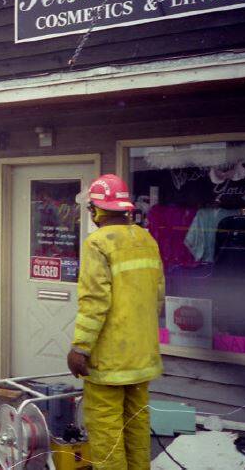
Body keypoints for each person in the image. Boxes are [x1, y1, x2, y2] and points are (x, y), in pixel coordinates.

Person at [67, 174, 165, 470]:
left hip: (109, 362)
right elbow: (157, 297)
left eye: (91, 209)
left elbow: (95, 302)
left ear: (97, 209)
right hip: (142, 357)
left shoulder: (97, 242)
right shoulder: (146, 239)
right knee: (136, 427)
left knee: (107, 433)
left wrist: (80, 349)